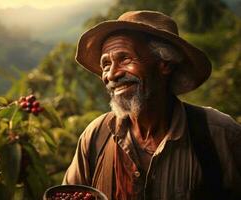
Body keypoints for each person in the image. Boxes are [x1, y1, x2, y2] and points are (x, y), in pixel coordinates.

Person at [62, 10, 241, 200]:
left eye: (125, 59)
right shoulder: (96, 136)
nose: (112, 74)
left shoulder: (219, 134)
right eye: (106, 64)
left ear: (165, 64)